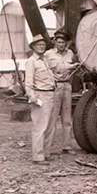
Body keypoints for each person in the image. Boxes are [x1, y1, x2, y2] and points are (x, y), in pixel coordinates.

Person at [44, 29, 80, 157]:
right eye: (59, 42)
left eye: (63, 42)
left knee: (67, 119)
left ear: (67, 43)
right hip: (55, 87)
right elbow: (55, 68)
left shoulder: (70, 53)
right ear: (55, 42)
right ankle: (46, 148)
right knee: (52, 118)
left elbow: (77, 66)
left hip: (67, 86)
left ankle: (67, 146)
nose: (61, 45)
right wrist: (71, 66)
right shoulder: (48, 54)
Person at [25, 34, 55, 165]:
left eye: (43, 45)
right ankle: (37, 156)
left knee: (50, 127)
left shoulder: (45, 60)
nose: (41, 46)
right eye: (39, 45)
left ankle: (46, 153)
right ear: (33, 47)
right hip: (40, 95)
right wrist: (31, 96)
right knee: (40, 127)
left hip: (50, 94)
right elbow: (28, 82)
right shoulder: (31, 61)